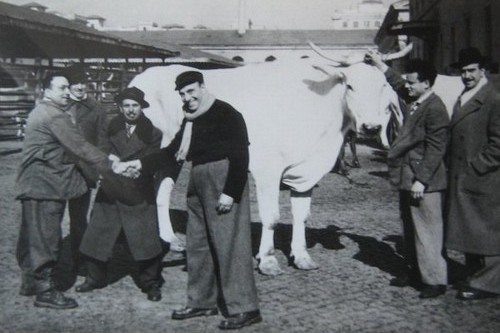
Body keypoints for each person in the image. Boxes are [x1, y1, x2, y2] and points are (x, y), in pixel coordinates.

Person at [115, 71, 261, 329]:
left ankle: (245, 308)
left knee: (231, 245)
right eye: (182, 94)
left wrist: (230, 192)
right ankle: (201, 302)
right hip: (198, 179)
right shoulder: (191, 119)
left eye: (191, 91)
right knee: (198, 243)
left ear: (202, 87)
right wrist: (139, 163)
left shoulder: (227, 113)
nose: (187, 97)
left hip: (223, 177)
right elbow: (172, 152)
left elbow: (241, 155)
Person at [16, 72, 111, 309]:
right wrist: (113, 164)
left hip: (37, 184)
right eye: (61, 88)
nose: (67, 92)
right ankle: (45, 291)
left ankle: (31, 283)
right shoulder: (54, 115)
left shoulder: (41, 111)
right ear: (46, 91)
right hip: (46, 185)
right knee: (47, 238)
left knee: (33, 237)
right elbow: (79, 146)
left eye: (68, 87)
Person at [365, 51, 449, 298]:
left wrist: (422, 180)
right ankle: (414, 272)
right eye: (409, 82)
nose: (408, 87)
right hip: (408, 177)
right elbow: (399, 84)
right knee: (410, 229)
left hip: (425, 182)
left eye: (413, 82)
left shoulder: (435, 108)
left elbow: (436, 148)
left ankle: (435, 280)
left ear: (426, 83)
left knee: (428, 231)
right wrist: (380, 65)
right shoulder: (417, 100)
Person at [75, 87, 165, 302]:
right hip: (112, 187)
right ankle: (94, 277)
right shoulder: (110, 126)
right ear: (120, 107)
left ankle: (150, 282)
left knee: (146, 238)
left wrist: (136, 168)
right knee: (98, 233)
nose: (131, 110)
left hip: (138, 191)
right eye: (126, 106)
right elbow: (103, 151)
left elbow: (151, 159)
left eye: (135, 106)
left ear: (141, 108)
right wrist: (112, 163)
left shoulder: (153, 132)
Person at [445, 47, 500, 300]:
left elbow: (498, 143)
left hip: (483, 177)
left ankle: (488, 284)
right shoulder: (465, 94)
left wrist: (477, 166)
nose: (466, 76)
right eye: (463, 71)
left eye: (471, 71)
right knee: (470, 231)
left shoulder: (493, 97)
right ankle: (475, 275)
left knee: (487, 232)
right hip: (463, 175)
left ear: (483, 70)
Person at [53, 63, 108, 287]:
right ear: (68, 86)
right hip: (58, 171)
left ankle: (80, 260)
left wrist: (99, 168)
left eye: (83, 82)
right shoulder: (59, 106)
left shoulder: (96, 108)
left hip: (83, 172)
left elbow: (102, 141)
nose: (80, 87)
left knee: (78, 219)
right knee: (53, 217)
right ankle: (53, 262)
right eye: (75, 83)